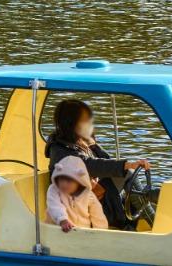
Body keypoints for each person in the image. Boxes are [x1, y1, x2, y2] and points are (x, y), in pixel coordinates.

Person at [46, 98, 150, 229]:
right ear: (72, 123)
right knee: (127, 172)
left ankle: (144, 215)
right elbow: (89, 165)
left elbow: (106, 160)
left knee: (128, 174)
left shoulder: (76, 142)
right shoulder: (60, 150)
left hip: (90, 192)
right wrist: (126, 164)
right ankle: (146, 219)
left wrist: (94, 146)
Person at [48, 154, 109, 232]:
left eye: (69, 180)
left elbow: (97, 215)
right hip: (58, 229)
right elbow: (55, 206)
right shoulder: (54, 190)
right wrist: (62, 220)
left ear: (79, 181)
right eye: (61, 179)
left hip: (82, 231)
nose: (64, 183)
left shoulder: (88, 194)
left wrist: (102, 232)